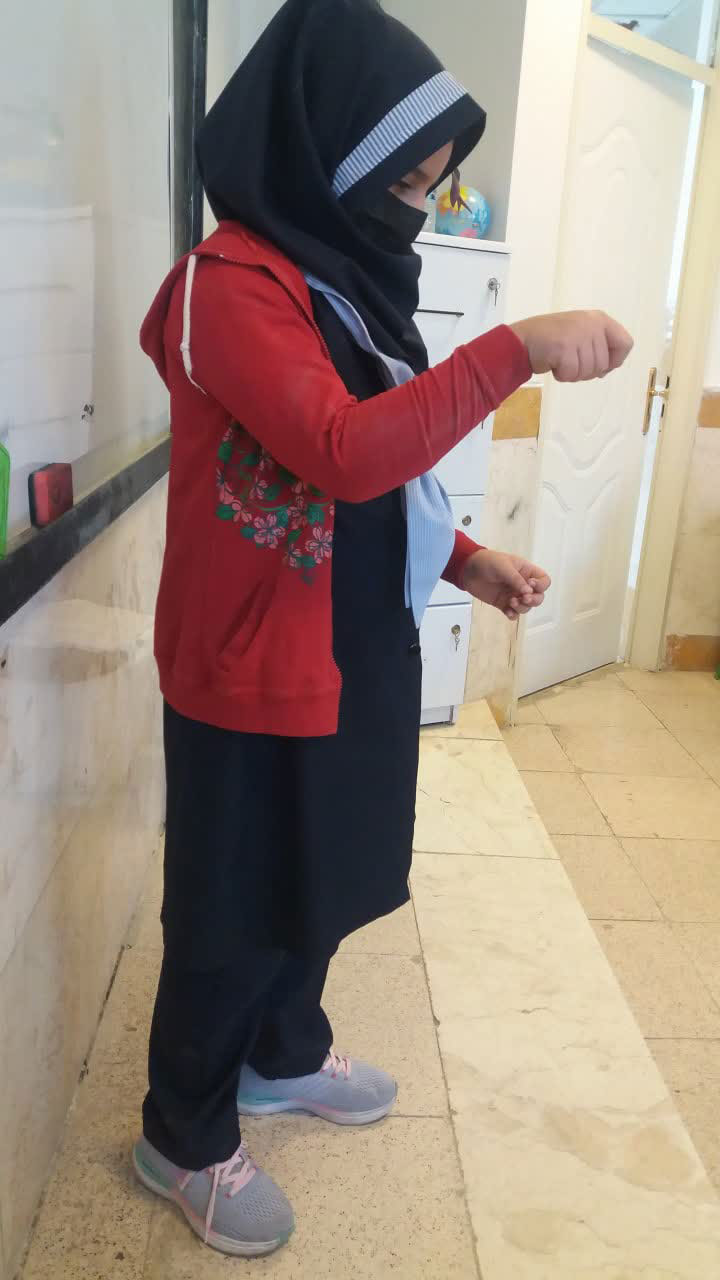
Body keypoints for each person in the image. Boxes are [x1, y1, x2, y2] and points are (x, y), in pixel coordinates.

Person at [134, 0, 633, 1259]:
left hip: (349, 641)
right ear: (329, 156)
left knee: (320, 870)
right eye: (406, 184)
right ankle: (180, 1133)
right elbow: (342, 450)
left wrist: (465, 559)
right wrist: (515, 347)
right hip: (249, 661)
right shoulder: (227, 286)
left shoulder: (339, 280)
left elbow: (382, 483)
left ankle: (281, 1053)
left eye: (431, 187)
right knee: (232, 903)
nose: (418, 211)